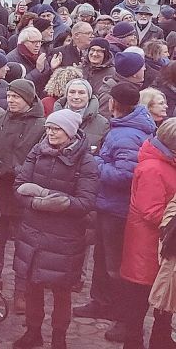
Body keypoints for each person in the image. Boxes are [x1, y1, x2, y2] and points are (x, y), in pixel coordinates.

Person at [73, 82, 155, 343]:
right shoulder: (126, 128)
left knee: (115, 265)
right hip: (108, 205)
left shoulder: (126, 134)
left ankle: (121, 316)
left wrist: (96, 162)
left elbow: (125, 174)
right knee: (103, 259)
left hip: (117, 209)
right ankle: (101, 301)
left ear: (114, 104)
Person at [13, 109, 98, 349]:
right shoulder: (37, 151)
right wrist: (37, 201)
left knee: (62, 293)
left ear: (69, 132)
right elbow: (19, 186)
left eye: (56, 129)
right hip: (33, 231)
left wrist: (58, 202)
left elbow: (86, 201)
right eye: (49, 128)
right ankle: (33, 332)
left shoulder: (85, 161)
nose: (50, 133)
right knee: (32, 287)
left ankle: (59, 338)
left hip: (64, 237)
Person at [0, 78, 46, 310]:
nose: (11, 101)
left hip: (23, 195)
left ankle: (22, 292)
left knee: (24, 248)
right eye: (8, 96)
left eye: (16, 97)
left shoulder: (41, 126)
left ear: (28, 100)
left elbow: (41, 157)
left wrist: (18, 172)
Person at [136, 121, 176, 348]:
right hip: (151, 245)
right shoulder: (153, 168)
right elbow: (151, 212)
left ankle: (161, 339)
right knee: (149, 298)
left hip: (165, 243)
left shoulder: (168, 162)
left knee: (166, 297)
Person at [52, 78, 110, 150]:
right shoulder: (53, 120)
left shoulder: (102, 124)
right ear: (66, 95)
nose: (76, 97)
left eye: (81, 93)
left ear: (89, 96)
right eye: (72, 92)